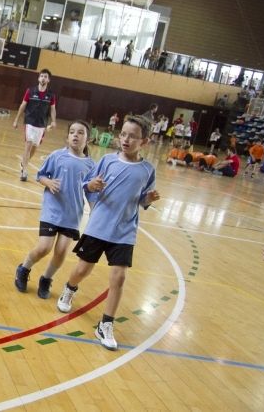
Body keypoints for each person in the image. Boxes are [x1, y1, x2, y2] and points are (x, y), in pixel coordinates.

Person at [56, 115, 160, 351]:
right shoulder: (107, 161)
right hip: (99, 226)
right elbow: (88, 186)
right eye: (123, 134)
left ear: (144, 142)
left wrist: (148, 199)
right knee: (82, 269)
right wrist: (90, 186)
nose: (126, 139)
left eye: (133, 136)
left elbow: (142, 200)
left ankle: (105, 324)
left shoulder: (146, 170)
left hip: (125, 231)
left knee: (119, 278)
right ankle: (69, 289)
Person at [14, 120, 95, 298]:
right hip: (52, 211)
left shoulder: (90, 165)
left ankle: (46, 279)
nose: (75, 135)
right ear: (67, 137)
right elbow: (40, 175)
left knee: (60, 253)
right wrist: (48, 182)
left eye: (80, 132)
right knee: (44, 248)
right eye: (72, 132)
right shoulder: (57, 156)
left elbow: (90, 192)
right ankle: (24, 268)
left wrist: (95, 211)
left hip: (72, 215)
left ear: (88, 139)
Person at [12, 69, 57, 182]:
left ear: (48, 80)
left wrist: (54, 121)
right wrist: (16, 119)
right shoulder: (30, 91)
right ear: (38, 78)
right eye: (41, 76)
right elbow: (23, 105)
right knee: (28, 144)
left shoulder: (51, 95)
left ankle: (24, 163)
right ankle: (24, 171)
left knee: (34, 148)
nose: (43, 78)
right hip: (30, 122)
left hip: (41, 124)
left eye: (45, 76)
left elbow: (52, 109)